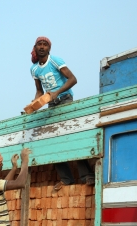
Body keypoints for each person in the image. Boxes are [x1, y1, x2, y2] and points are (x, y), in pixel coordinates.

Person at [30, 36, 94, 189]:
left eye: (45, 45)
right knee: (53, 141)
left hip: (65, 99)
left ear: (49, 49)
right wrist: (32, 106)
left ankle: (87, 176)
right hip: (51, 103)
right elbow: (39, 91)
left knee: (71, 137)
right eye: (39, 44)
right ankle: (66, 179)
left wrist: (57, 92)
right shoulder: (34, 69)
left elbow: (73, 79)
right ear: (35, 47)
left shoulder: (55, 61)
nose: (42, 47)